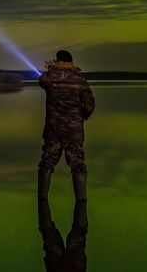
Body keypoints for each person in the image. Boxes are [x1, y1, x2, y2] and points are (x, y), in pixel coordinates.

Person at [38, 49, 95, 201]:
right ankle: (81, 203)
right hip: (73, 132)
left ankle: (42, 200)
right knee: (78, 165)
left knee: (47, 163)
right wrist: (81, 117)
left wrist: (52, 69)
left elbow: (41, 80)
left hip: (53, 131)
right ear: (71, 62)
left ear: (57, 61)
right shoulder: (79, 80)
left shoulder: (50, 79)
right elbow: (90, 105)